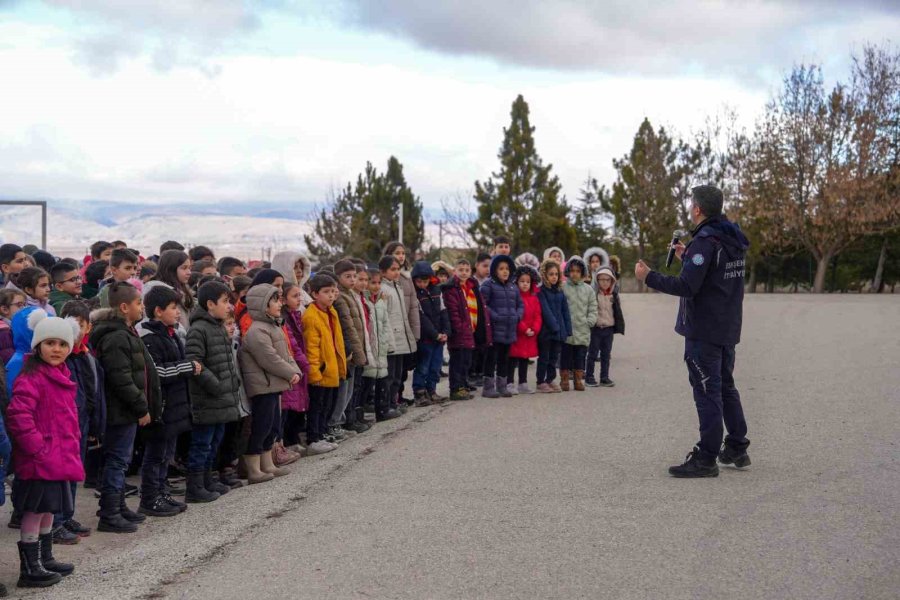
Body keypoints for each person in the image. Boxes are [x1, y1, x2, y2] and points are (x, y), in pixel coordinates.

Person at [636, 184, 751, 478]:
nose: (690, 208)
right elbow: (715, 273)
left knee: (706, 390)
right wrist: (688, 254)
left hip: (705, 330)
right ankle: (737, 445)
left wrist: (649, 276)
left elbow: (687, 286)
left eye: (691, 204)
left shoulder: (705, 241)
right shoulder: (729, 237)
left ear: (698, 209)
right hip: (727, 326)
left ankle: (707, 457)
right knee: (725, 385)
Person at [6, 312, 83, 588]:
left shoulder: (60, 373)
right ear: (38, 345)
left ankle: (45, 557)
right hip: (40, 458)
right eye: (50, 343)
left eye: (62, 344)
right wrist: (37, 447)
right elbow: (19, 415)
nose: (57, 349)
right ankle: (30, 567)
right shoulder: (32, 376)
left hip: (58, 457)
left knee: (50, 508)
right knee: (35, 510)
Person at [90, 281, 161, 533]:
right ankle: (109, 512)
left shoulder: (126, 331)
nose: (142, 307)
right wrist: (141, 407)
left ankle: (118, 506)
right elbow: (121, 378)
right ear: (123, 306)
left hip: (126, 410)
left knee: (121, 459)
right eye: (138, 303)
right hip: (120, 411)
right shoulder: (116, 336)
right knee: (117, 461)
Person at [137, 286, 199, 516]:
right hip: (161, 407)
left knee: (167, 454)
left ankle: (161, 491)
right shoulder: (151, 337)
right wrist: (189, 367)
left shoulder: (170, 333)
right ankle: (150, 497)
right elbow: (158, 372)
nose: (177, 313)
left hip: (175, 407)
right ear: (158, 311)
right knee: (156, 454)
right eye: (173, 308)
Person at [184, 282, 244, 498]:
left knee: (215, 441)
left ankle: (208, 480)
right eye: (225, 302)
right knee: (202, 443)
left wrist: (232, 383)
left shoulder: (217, 326)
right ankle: (195, 486)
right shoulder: (199, 329)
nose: (229, 307)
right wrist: (217, 385)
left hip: (222, 398)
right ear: (210, 304)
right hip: (208, 399)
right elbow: (194, 363)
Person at [52, 301, 105, 543]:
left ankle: (67, 514)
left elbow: (92, 391)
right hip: (65, 424)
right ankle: (56, 521)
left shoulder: (85, 354)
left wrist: (95, 424)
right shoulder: (62, 358)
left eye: (80, 326)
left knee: (75, 471)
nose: (75, 331)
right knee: (61, 474)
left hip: (82, 421)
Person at [240, 283, 301, 482]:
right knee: (261, 426)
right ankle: (254, 469)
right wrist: (290, 372)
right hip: (262, 387)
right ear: (262, 305)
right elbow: (269, 358)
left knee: (272, 426)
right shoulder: (257, 331)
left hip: (274, 386)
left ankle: (268, 464)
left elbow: (286, 353)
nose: (279, 303)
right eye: (275, 300)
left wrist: (295, 370)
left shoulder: (274, 326)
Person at [302, 274, 346, 455]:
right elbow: (311, 348)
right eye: (326, 292)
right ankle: (314, 438)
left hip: (331, 368)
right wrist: (314, 373)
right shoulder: (311, 316)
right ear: (314, 294)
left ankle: (321, 434)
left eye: (333, 291)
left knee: (327, 405)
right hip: (320, 371)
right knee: (317, 406)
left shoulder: (331, 311)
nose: (330, 296)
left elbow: (337, 342)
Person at [331, 260, 369, 436]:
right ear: (338, 278)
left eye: (354, 276)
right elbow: (348, 328)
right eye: (348, 276)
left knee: (349, 389)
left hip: (355, 350)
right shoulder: (340, 298)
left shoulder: (351, 295)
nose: (352, 279)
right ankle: (337, 423)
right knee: (343, 390)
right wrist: (357, 352)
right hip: (347, 352)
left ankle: (342, 421)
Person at [442, 259, 487, 401]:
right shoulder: (451, 289)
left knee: (466, 361)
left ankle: (463, 385)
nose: (464, 273)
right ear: (455, 271)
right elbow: (453, 312)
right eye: (460, 270)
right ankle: (456, 389)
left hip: (470, 331)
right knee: (457, 362)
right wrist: (459, 328)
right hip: (459, 332)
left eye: (467, 270)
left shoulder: (472, 286)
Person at [479, 255, 523, 399]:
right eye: (501, 269)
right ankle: (488, 387)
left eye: (507, 269)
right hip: (494, 329)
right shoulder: (488, 285)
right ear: (494, 270)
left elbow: (520, 305)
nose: (505, 272)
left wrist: (517, 316)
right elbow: (483, 304)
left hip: (509, 329)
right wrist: (495, 316)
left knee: (505, 357)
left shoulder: (513, 287)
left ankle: (502, 386)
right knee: (491, 358)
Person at [382, 242, 421, 406]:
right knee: (390, 372)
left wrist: (415, 331)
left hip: (404, 330)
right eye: (397, 253)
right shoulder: (382, 282)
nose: (401, 256)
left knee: (401, 370)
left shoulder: (406, 279)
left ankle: (397, 397)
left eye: (403, 253)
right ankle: (388, 402)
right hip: (391, 332)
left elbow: (413, 306)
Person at [362, 268, 401, 421]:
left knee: (383, 379)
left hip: (382, 347)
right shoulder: (364, 301)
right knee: (367, 382)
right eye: (372, 282)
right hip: (371, 347)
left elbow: (386, 324)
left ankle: (382, 410)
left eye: (378, 282)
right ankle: (360, 413)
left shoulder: (380, 301)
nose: (376, 286)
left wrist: (390, 344)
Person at [410, 262, 450, 406]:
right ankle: (419, 393)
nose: (422, 284)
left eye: (425, 281)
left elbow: (444, 311)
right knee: (423, 367)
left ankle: (431, 390)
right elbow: (421, 318)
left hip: (439, 337)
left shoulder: (436, 291)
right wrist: (435, 334)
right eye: (419, 281)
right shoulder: (415, 294)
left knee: (435, 366)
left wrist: (446, 331)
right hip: (426, 339)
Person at [280, 282, 310, 453]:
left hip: (299, 365)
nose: (299, 299)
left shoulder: (296, 315)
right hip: (293, 366)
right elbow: (293, 344)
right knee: (290, 406)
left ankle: (294, 438)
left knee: (298, 403)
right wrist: (303, 363)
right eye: (295, 296)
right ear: (284, 300)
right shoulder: (285, 318)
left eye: (300, 295)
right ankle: (289, 440)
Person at [584, 267, 624, 388]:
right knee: (592, 354)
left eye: (608, 280)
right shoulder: (593, 294)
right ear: (597, 280)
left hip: (609, 329)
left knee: (606, 354)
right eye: (601, 279)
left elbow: (617, 311)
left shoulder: (614, 295)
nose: (605, 282)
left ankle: (604, 377)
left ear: (612, 281)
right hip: (596, 329)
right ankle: (589, 377)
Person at [561, 257, 596, 392]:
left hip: (583, 329)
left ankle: (578, 380)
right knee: (565, 356)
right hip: (567, 330)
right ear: (568, 272)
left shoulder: (588, 290)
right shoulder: (563, 287)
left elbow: (593, 307)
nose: (575, 274)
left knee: (580, 356)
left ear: (583, 273)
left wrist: (590, 321)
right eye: (572, 271)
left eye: (578, 271)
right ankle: (564, 379)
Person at [536, 260, 571, 393]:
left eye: (556, 274)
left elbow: (565, 311)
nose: (554, 277)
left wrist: (567, 329)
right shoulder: (541, 292)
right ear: (545, 275)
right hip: (546, 332)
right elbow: (545, 311)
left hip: (559, 332)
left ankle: (550, 379)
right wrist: (555, 327)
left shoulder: (560, 292)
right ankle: (540, 381)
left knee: (553, 358)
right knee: (544, 357)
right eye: (551, 274)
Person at [507, 265, 542, 395]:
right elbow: (514, 314)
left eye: (528, 281)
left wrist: (535, 329)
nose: (525, 284)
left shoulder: (534, 298)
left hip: (529, 335)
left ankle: (523, 383)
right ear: (516, 282)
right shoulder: (514, 297)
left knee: (524, 359)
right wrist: (524, 328)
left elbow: (538, 315)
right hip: (518, 333)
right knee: (512, 358)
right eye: (522, 281)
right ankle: (509, 382)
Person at [152, 250, 194, 334]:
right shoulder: (158, 293)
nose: (189, 272)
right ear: (171, 269)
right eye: (184, 268)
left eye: (190, 268)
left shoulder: (183, 291)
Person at [0, 289, 26, 365]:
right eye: (19, 305)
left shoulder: (12, 327)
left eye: (25, 305)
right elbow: (10, 359)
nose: (24, 309)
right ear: (5, 309)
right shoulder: (4, 332)